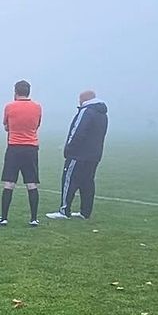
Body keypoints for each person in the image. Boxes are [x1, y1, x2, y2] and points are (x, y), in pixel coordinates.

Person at [47, 90, 109, 220]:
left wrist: (68, 149)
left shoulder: (86, 111)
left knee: (69, 181)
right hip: (94, 154)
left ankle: (64, 211)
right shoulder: (102, 114)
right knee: (87, 182)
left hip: (78, 154)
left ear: (84, 99)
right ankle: (85, 212)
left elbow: (77, 131)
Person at [0, 80, 42, 227]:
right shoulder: (37, 107)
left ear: (15, 91)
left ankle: (4, 217)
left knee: (9, 183)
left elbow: (6, 126)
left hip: (14, 147)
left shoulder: (10, 107)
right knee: (31, 183)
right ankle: (33, 218)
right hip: (31, 148)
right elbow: (37, 125)